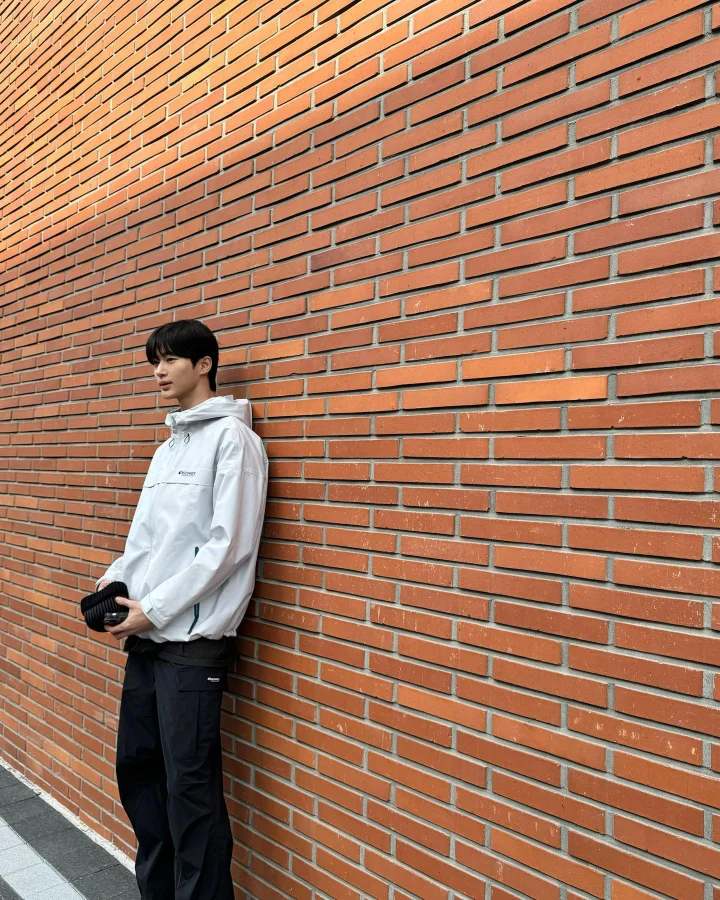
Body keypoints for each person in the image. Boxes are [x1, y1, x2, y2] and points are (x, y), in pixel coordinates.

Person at [94, 318, 268, 900]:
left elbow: (228, 545)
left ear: (204, 364)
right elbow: (144, 542)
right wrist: (113, 586)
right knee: (138, 772)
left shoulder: (233, 441)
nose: (159, 371)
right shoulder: (169, 448)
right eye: (155, 361)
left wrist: (155, 609)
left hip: (194, 646)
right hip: (148, 639)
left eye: (170, 359)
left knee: (191, 792)